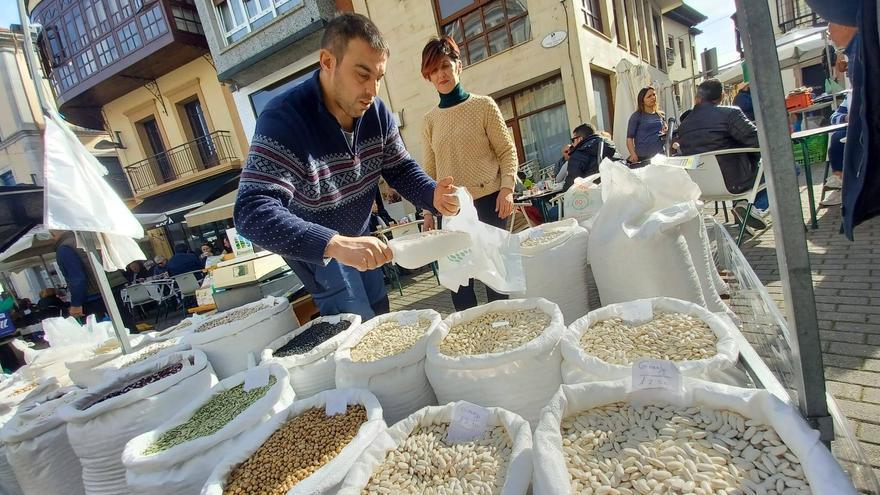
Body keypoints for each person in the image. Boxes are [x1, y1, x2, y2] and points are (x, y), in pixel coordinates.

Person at [233, 13, 459, 319]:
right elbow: (250, 212)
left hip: (359, 232)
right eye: (362, 75)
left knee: (381, 309)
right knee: (355, 322)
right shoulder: (283, 119)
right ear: (327, 61)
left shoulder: (377, 113)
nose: (373, 91)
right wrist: (332, 243)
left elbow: (400, 168)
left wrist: (433, 194)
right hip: (320, 251)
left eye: (378, 78)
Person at [418, 35, 518, 311]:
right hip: (451, 211)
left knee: (494, 277)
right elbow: (429, 171)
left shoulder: (484, 106)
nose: (441, 74)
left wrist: (507, 189)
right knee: (460, 285)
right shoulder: (429, 121)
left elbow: (507, 151)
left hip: (490, 202)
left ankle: (505, 332)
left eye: (445, 66)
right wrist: (427, 212)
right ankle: (473, 342)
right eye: (434, 70)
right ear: (428, 77)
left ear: (458, 67)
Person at [676, 78, 769, 234]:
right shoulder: (731, 114)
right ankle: (753, 208)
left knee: (734, 164)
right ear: (721, 96)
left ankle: (743, 207)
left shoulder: (683, 126)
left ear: (697, 98)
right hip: (736, 183)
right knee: (789, 166)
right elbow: (760, 141)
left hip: (702, 187)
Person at [52, 231, 99, 318]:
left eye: (52, 235)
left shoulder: (64, 248)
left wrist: (76, 304)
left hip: (94, 296)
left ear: (56, 234)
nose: (52, 239)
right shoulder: (88, 236)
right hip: (114, 286)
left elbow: (77, 278)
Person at [562, 124, 619, 192]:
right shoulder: (610, 146)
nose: (572, 144)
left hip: (592, 195)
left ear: (579, 139)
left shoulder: (579, 154)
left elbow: (571, 181)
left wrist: (564, 193)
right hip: (616, 190)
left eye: (573, 140)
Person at [626, 86, 667, 165]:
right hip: (643, 156)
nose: (653, 97)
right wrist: (633, 154)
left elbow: (664, 131)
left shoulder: (661, 115)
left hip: (660, 154)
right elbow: (629, 139)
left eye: (654, 95)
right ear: (642, 100)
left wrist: (666, 130)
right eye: (649, 96)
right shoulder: (636, 116)